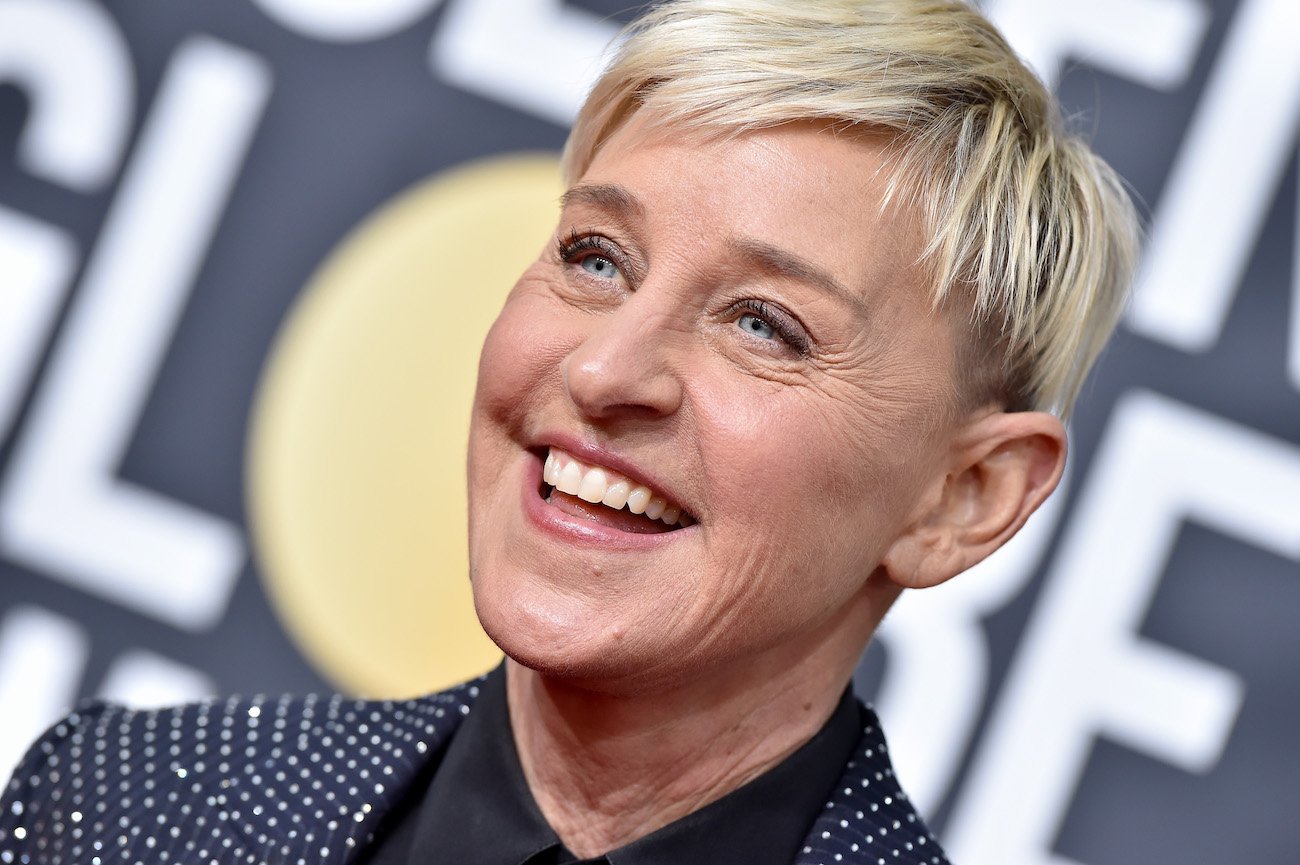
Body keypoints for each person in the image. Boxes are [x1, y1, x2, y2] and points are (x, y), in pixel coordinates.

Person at [0, 1, 1139, 863]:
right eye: (596, 257)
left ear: (965, 496)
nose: (604, 370)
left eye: (764, 325)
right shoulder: (122, 803)